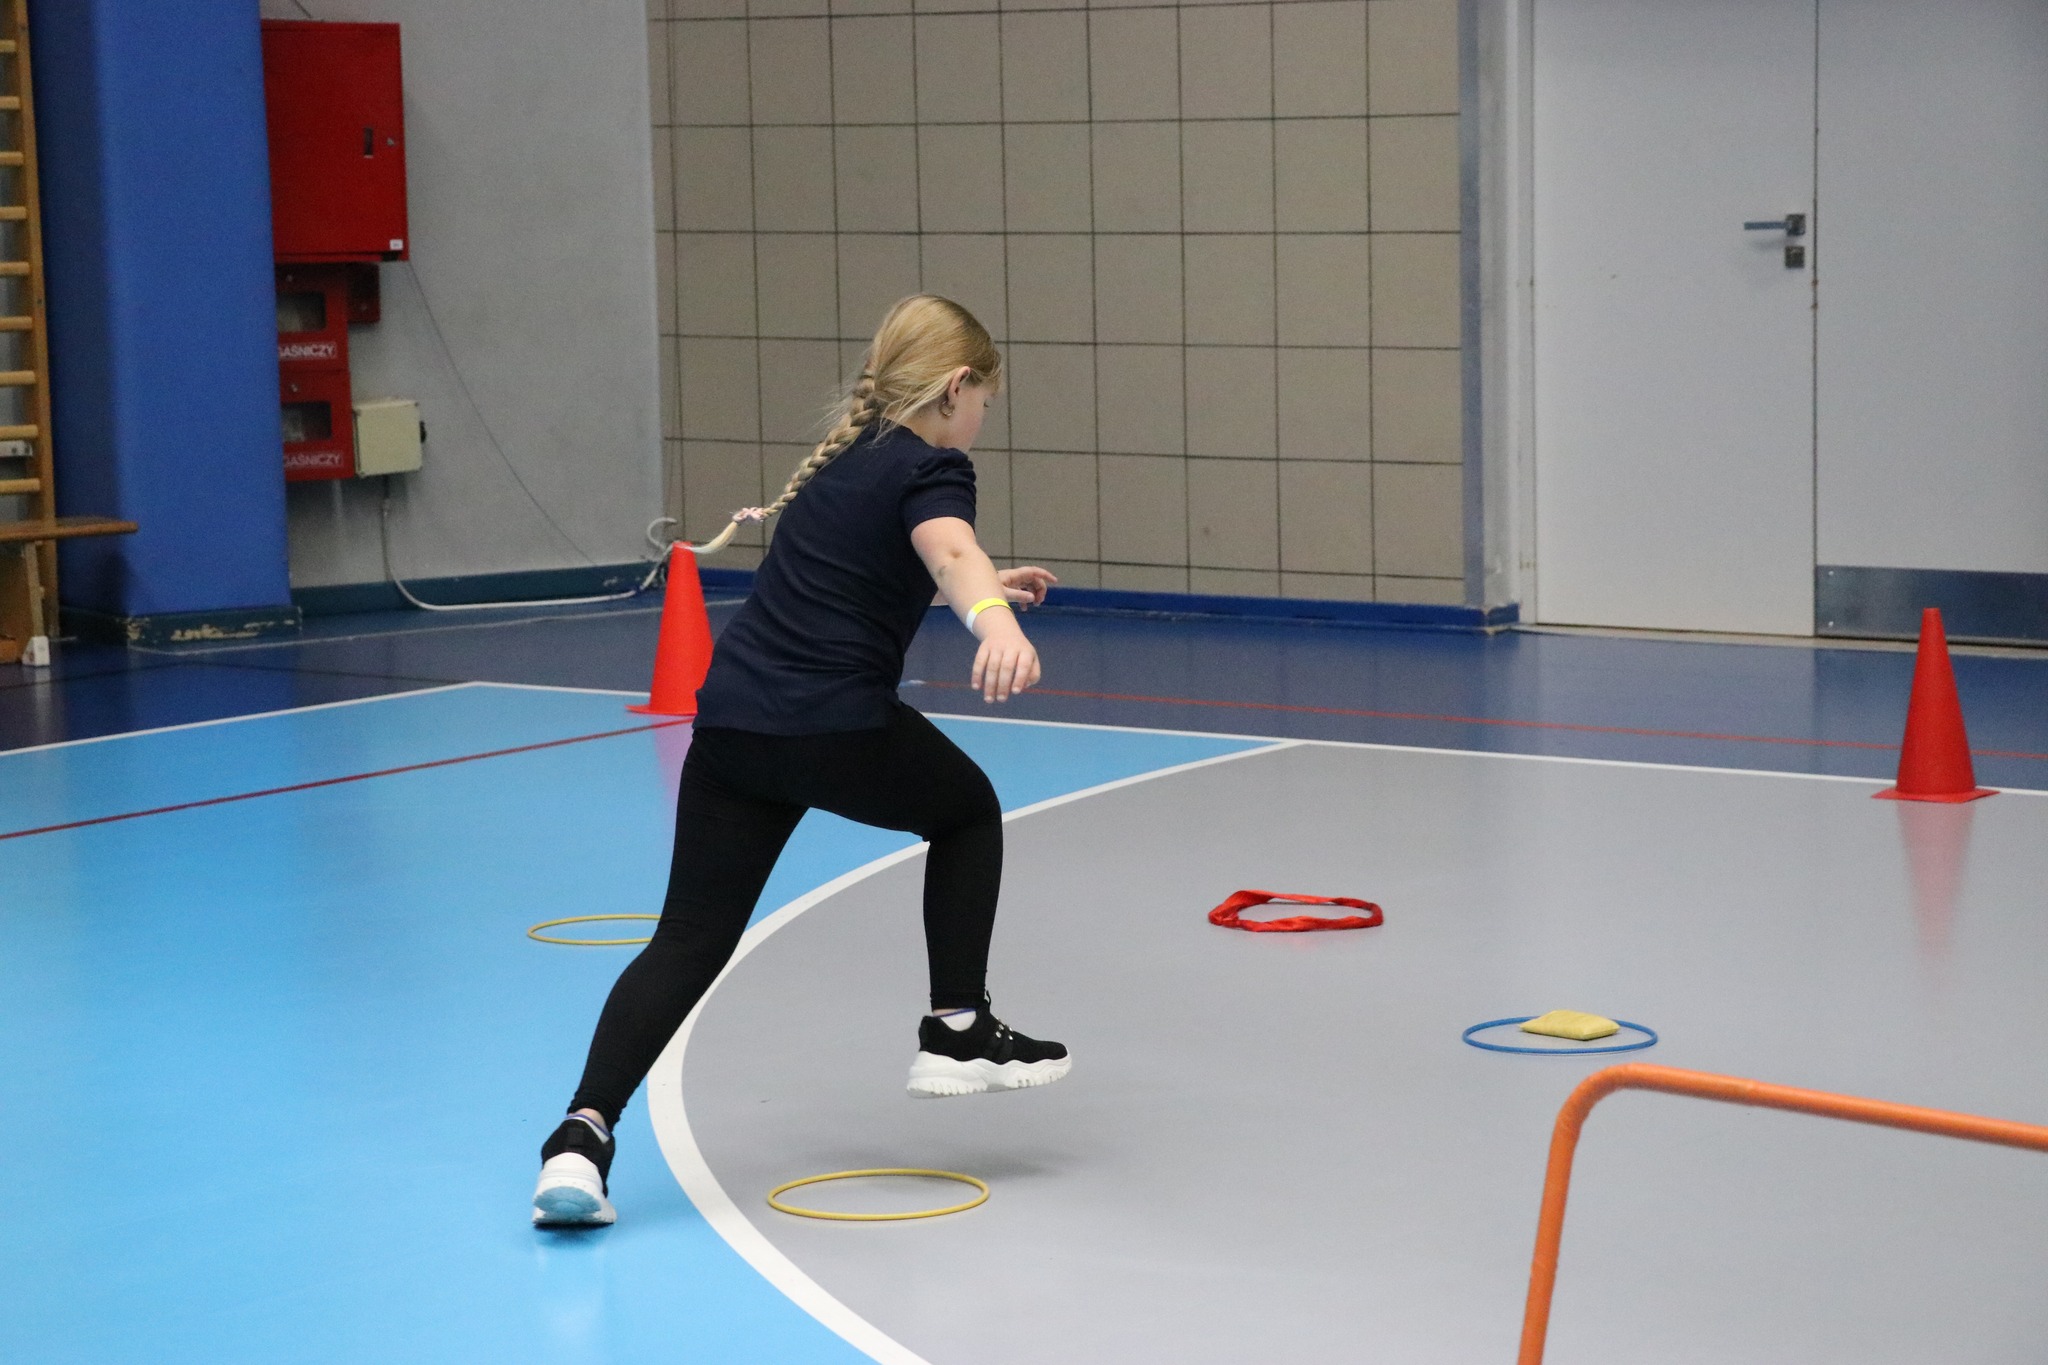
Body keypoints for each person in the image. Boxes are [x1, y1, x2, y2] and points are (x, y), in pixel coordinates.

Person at [533, 295, 1067, 1227]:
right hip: (832, 728)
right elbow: (950, 549)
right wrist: (993, 619)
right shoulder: (936, 464)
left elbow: (882, 570)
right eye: (986, 399)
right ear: (955, 388)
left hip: (732, 730)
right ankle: (956, 1027)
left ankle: (578, 1141)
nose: (984, 418)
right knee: (967, 810)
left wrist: (990, 579)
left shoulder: (845, 463)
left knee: (687, 938)